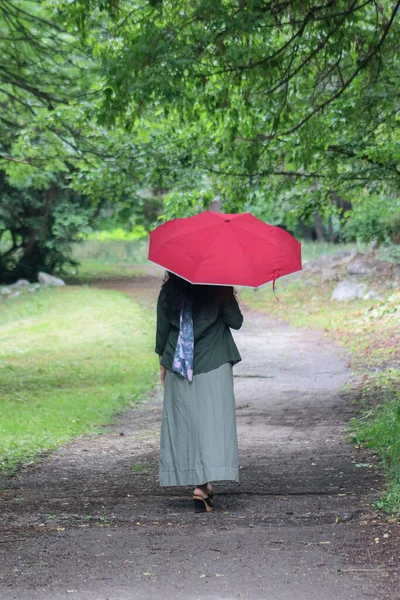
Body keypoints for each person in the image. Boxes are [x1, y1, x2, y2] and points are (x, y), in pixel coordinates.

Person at [155, 271, 243, 513]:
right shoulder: (218, 288)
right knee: (212, 424)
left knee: (188, 424)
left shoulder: (169, 292)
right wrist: (227, 290)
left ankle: (201, 485)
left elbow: (162, 330)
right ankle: (204, 488)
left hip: (178, 364)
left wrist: (163, 362)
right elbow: (236, 321)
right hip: (214, 362)